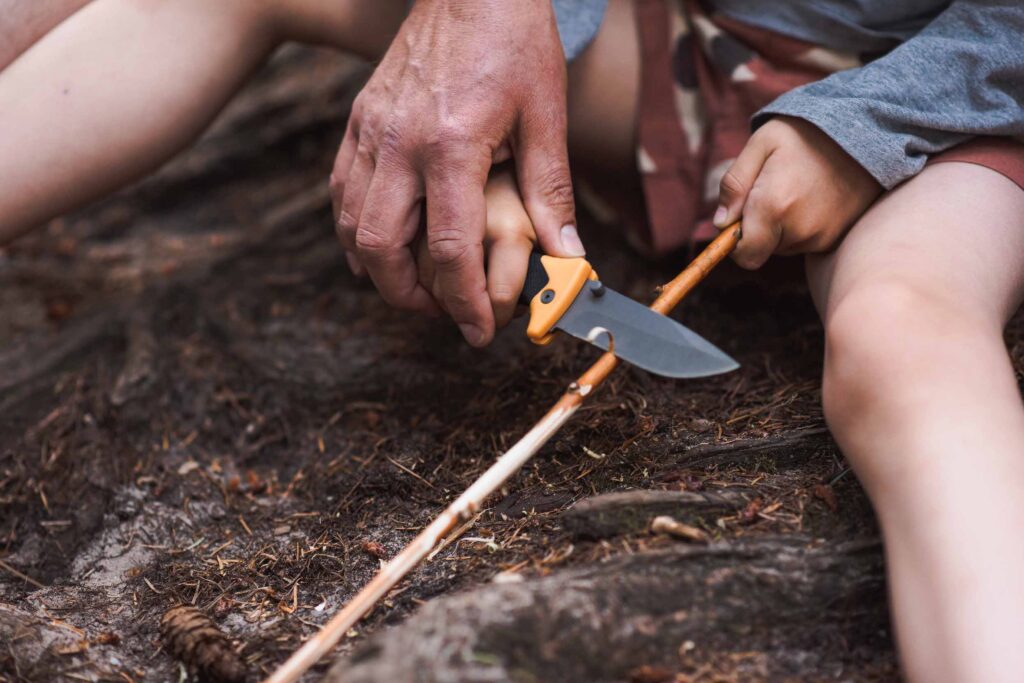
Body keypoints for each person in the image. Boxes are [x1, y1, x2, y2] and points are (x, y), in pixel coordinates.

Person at [2, 2, 1024, 682]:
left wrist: (862, 123)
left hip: (966, 95)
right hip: (683, 34)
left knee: (904, 332)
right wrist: (498, 117)